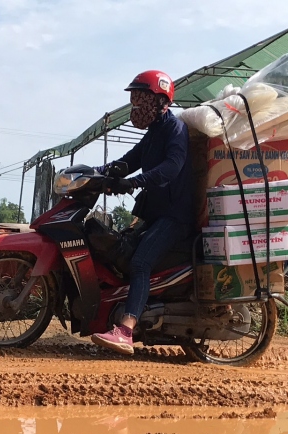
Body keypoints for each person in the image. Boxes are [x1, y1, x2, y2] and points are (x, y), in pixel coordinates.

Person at [90, 70, 195, 356]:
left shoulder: (174, 129)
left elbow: (172, 166)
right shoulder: (153, 134)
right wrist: (92, 173)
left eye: (141, 101)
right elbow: (127, 162)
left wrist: (135, 182)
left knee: (139, 263)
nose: (136, 108)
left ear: (160, 101)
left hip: (175, 217)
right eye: (134, 101)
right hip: (157, 214)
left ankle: (126, 329)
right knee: (120, 252)